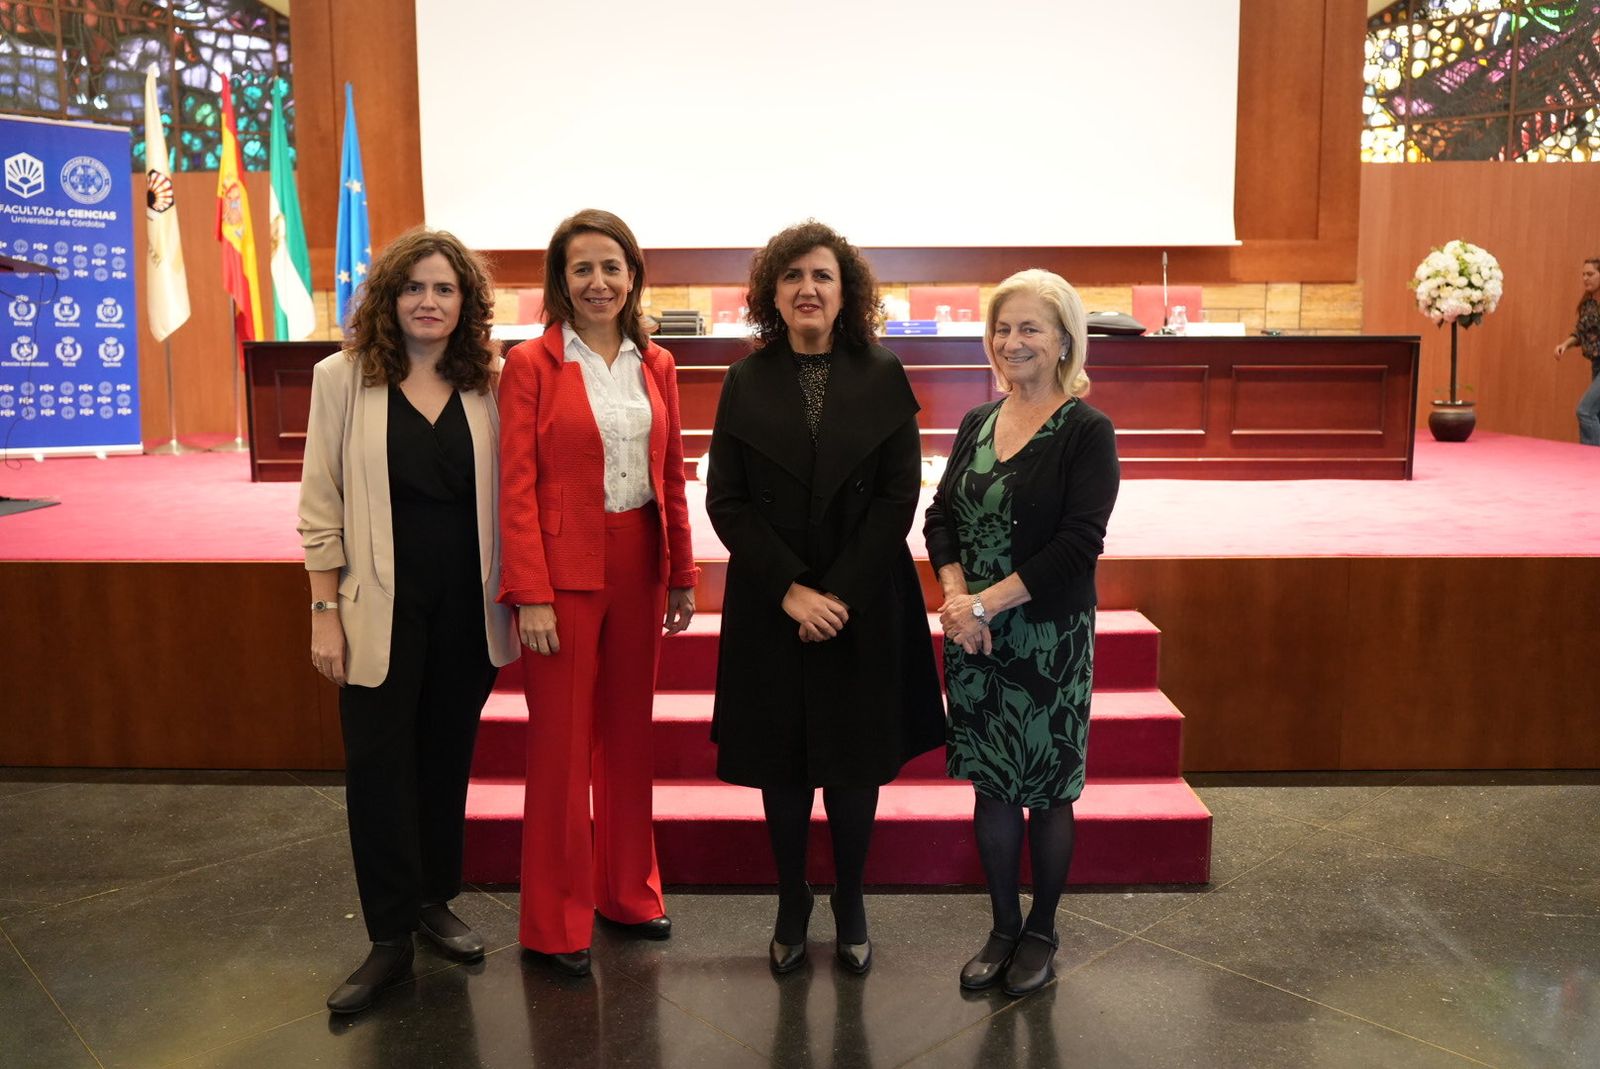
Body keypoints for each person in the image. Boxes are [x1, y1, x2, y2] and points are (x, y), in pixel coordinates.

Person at [706, 220, 944, 976]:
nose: (808, 289)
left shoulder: (884, 373)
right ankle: (790, 899)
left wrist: (834, 593)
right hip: (774, 604)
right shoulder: (746, 379)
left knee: (852, 765)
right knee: (781, 768)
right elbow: (728, 501)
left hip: (862, 600)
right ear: (772, 293)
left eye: (823, 277)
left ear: (847, 293)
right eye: (793, 277)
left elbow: (896, 499)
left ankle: (850, 897)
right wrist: (792, 591)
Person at [298, 227, 519, 1014]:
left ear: (467, 303)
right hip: (373, 610)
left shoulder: (490, 382)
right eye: (414, 288)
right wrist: (325, 612)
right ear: (390, 299)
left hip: (470, 607)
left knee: (444, 756)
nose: (429, 301)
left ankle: (433, 900)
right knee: (379, 767)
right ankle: (388, 936)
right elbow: (319, 507)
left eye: (445, 289)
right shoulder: (341, 378)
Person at [498, 209, 699, 977]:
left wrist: (680, 570)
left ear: (633, 276)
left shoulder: (658, 363)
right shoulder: (531, 364)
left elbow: (671, 472)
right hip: (562, 570)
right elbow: (516, 487)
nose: (598, 282)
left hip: (638, 560)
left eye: (611, 266)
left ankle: (629, 891)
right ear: (560, 280)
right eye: (582, 268)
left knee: (628, 736)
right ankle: (554, 919)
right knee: (560, 748)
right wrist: (532, 591)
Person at [923, 269, 1119, 997]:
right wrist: (954, 595)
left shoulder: (1087, 431)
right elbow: (939, 517)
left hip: (1046, 637)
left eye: (1030, 328)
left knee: (1048, 791)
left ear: (1065, 337)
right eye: (1003, 329)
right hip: (974, 637)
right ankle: (1003, 925)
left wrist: (987, 604)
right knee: (992, 789)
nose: (1013, 342)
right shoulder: (977, 421)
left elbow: (1078, 545)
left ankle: (1041, 930)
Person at [1552, 256, 1600, 446]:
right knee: (1595, 413)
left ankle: (1592, 460)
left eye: (1590, 274)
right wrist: (1565, 344)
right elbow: (1580, 333)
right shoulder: (1587, 304)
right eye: (1583, 274)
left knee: (1585, 411)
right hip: (1596, 365)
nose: (1585, 278)